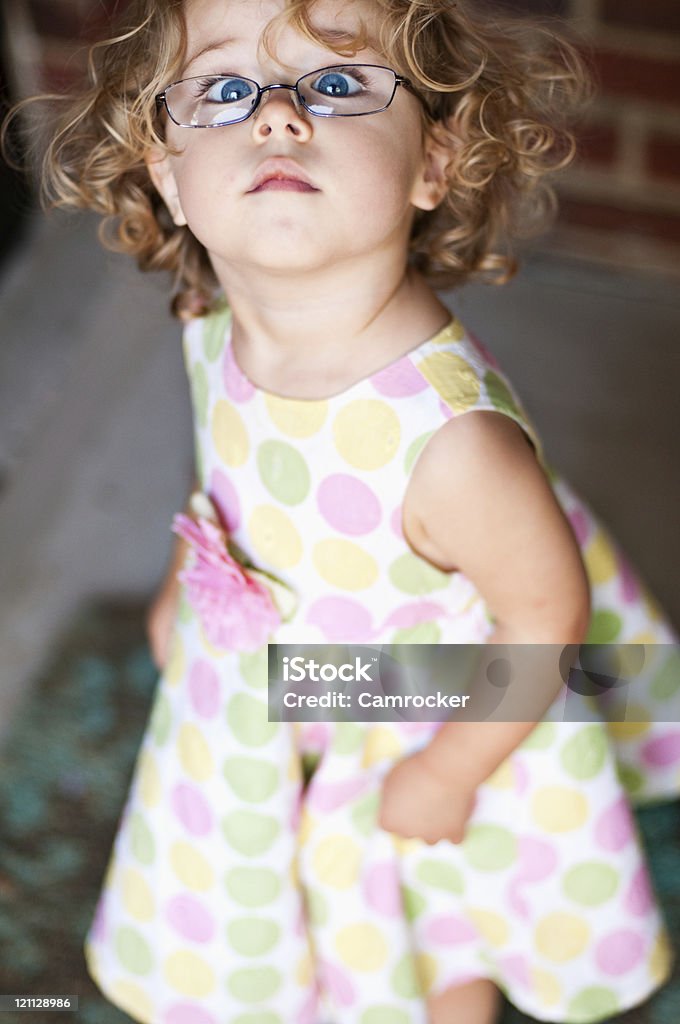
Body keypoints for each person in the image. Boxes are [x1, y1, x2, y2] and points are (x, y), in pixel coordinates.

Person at [11, 0, 680, 1021]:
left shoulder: (453, 449)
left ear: (432, 163)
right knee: (312, 900)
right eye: (226, 89)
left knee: (422, 919)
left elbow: (545, 623)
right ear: (166, 172)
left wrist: (449, 771)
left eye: (334, 84)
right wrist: (180, 591)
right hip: (289, 688)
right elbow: (225, 479)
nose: (277, 116)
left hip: (418, 709)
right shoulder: (210, 317)